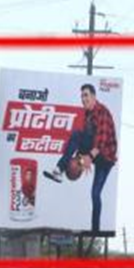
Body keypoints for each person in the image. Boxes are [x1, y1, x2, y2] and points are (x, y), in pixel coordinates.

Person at [41, 83, 118, 232]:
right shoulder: (88, 114)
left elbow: (101, 142)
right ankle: (59, 170)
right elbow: (87, 141)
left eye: (86, 95)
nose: (83, 99)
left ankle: (95, 229)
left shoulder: (102, 112)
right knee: (77, 136)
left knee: (95, 193)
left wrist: (89, 157)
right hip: (94, 151)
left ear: (94, 96)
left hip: (105, 157)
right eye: (82, 96)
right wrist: (79, 159)